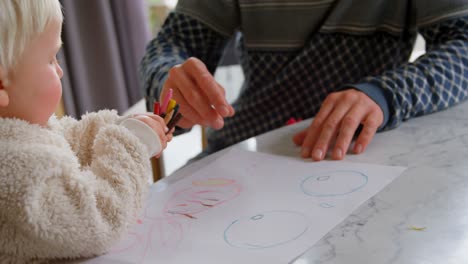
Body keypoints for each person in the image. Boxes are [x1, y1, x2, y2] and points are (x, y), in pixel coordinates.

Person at [140, 0, 468, 161]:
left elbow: (463, 45)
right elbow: (173, 43)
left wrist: (386, 94)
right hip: (245, 153)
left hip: (367, 154)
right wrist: (173, 86)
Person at [0, 1, 173, 262]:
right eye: (50, 59)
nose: (59, 70)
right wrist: (129, 144)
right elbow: (100, 219)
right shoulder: (13, 166)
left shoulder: (19, 133)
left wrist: (116, 129)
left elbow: (67, 139)